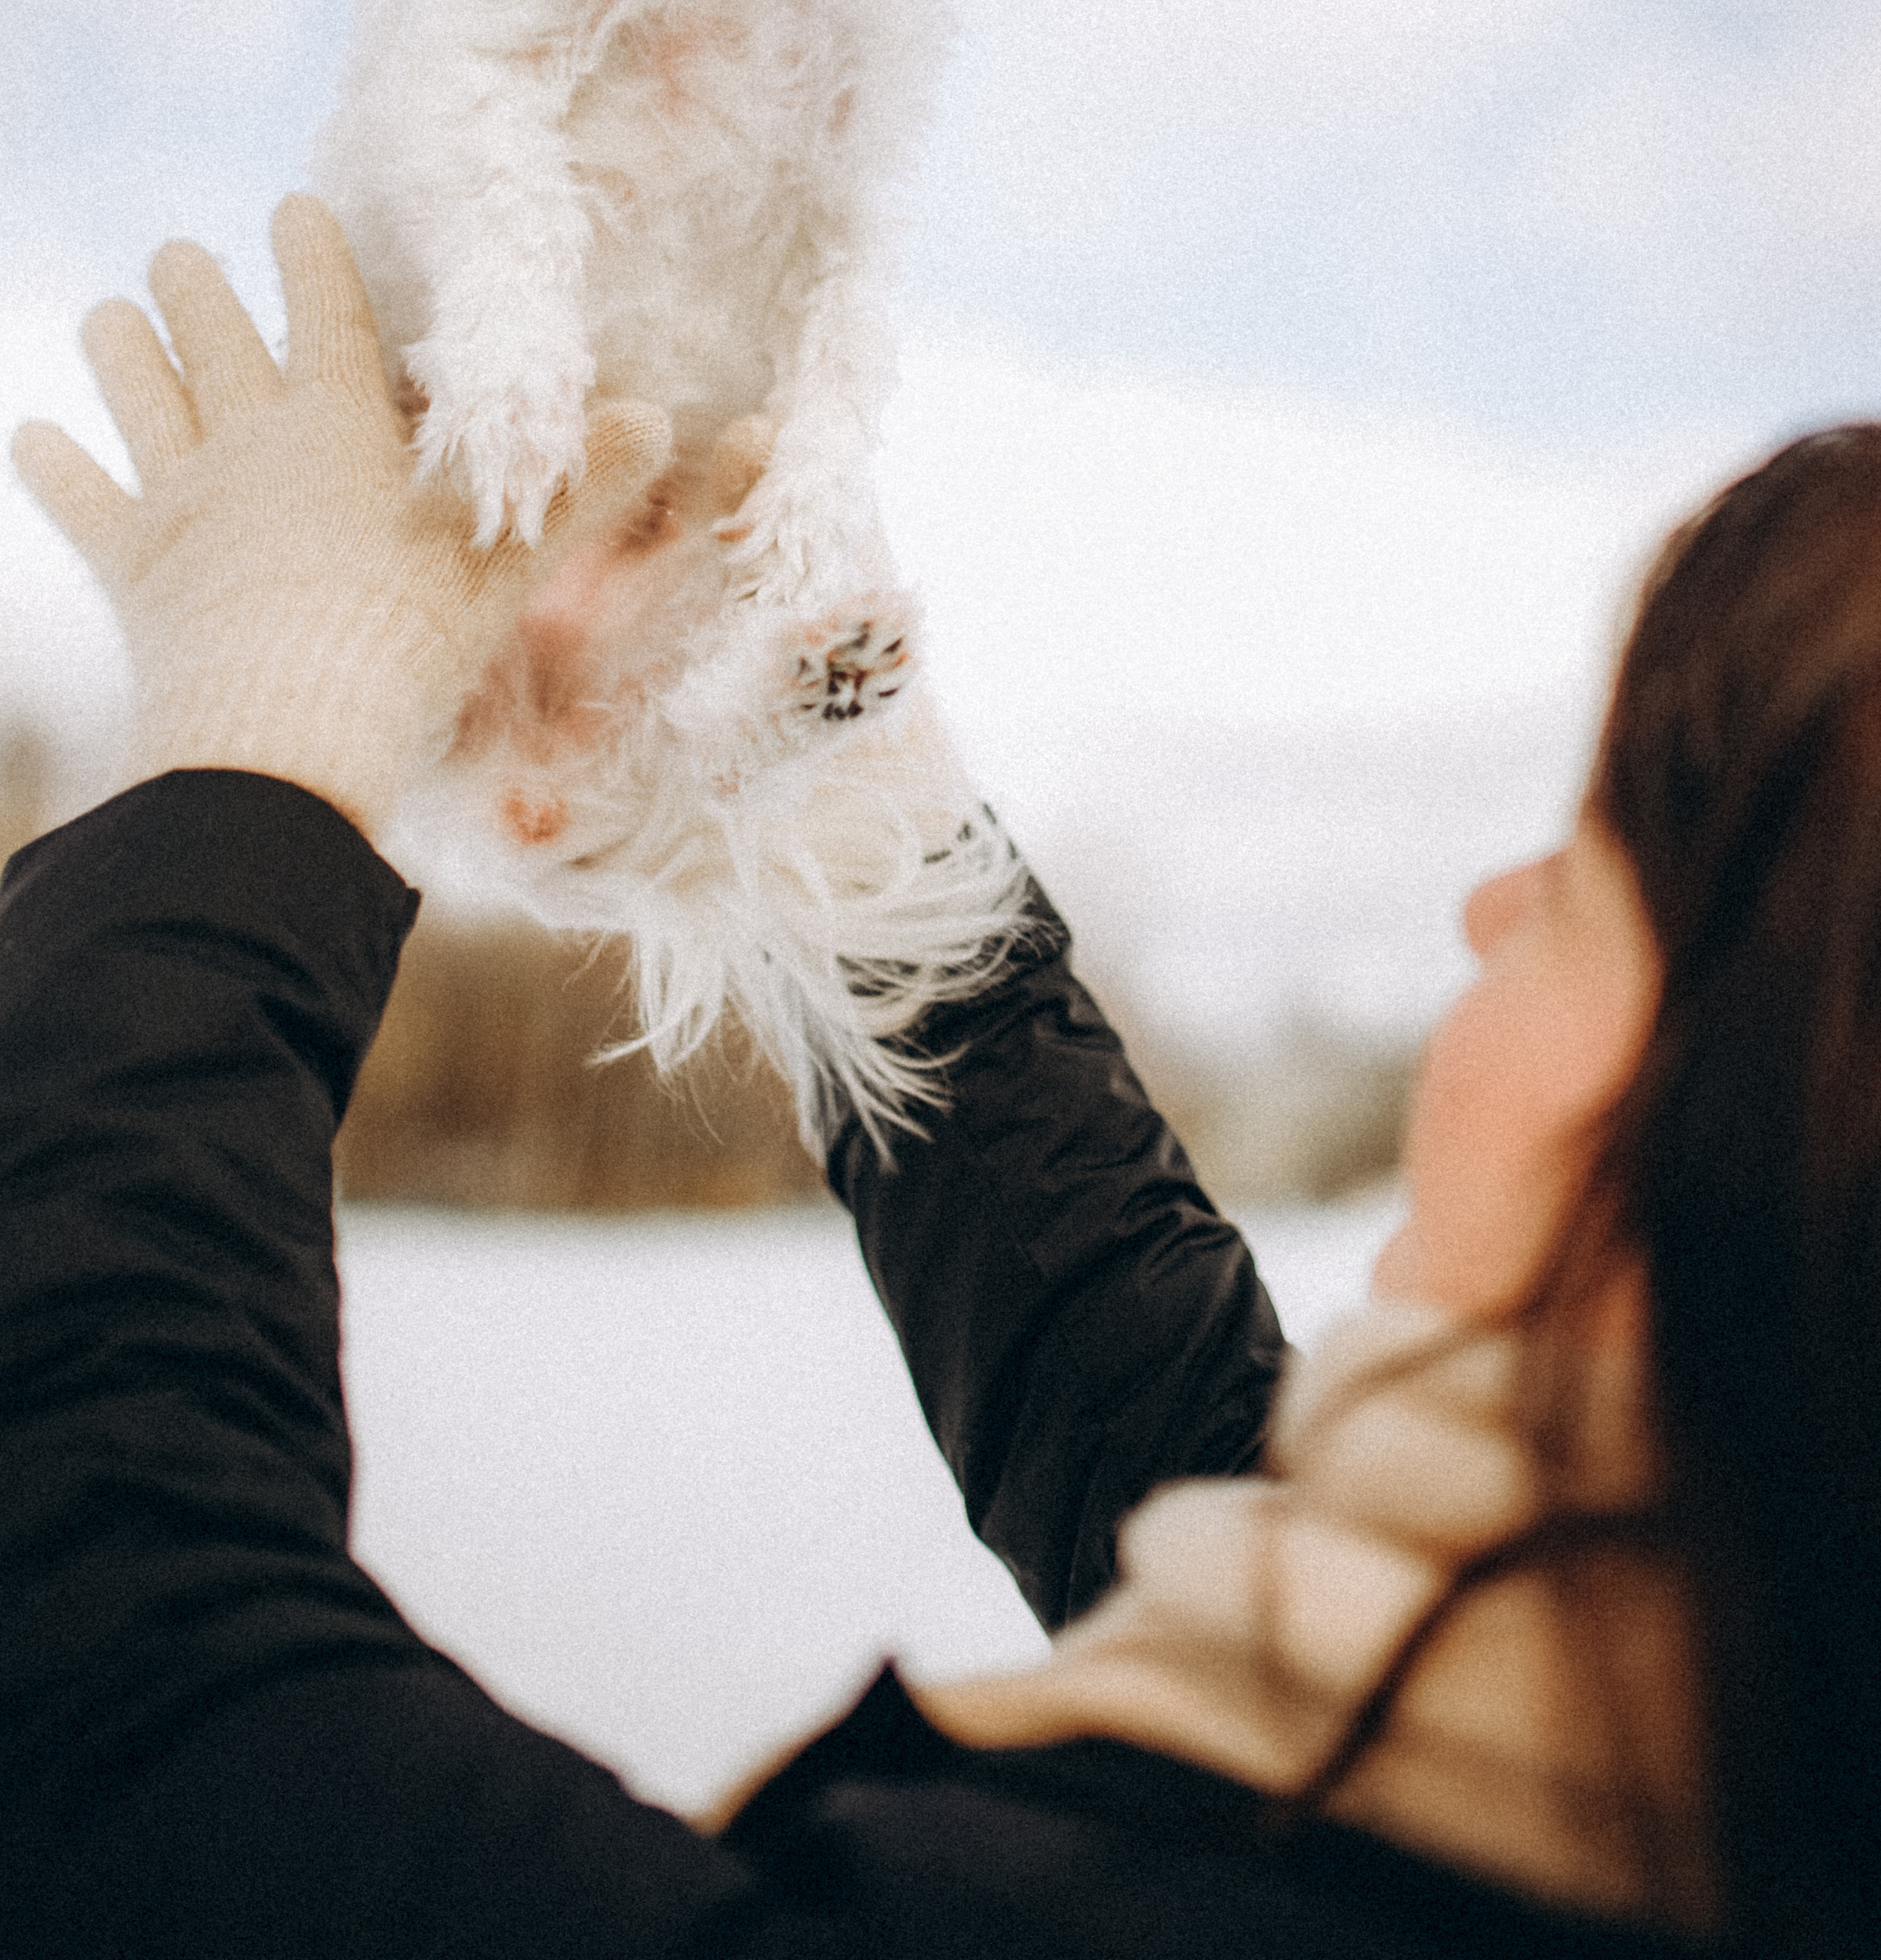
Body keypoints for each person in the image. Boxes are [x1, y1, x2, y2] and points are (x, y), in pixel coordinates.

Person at [0, 199, 1871, 1955]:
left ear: (1770, 1095)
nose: (1489, 902)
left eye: (1591, 853)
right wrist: (844, 786)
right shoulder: (1689, 1707)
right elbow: (1162, 1443)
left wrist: (252, 758)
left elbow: (138, 1724)